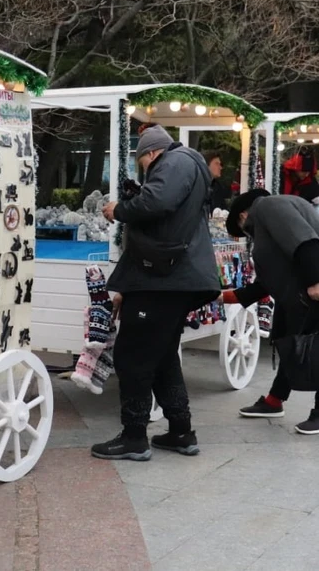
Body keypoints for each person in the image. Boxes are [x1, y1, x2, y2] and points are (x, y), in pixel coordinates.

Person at [93, 125, 220, 461]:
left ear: (150, 154)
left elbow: (157, 201)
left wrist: (119, 210)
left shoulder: (174, 161)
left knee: (132, 355)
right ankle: (181, 431)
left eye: (144, 164)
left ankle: (134, 436)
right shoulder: (187, 163)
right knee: (162, 356)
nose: (146, 171)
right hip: (171, 278)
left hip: (164, 280)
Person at [222, 190, 319, 434]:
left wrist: (315, 281)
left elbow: (305, 241)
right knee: (290, 338)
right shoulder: (275, 208)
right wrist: (228, 297)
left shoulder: (268, 207)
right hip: (313, 284)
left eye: (243, 228)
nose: (248, 233)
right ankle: (275, 400)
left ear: (243, 214)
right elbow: (271, 278)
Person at [282, 147, 319, 224]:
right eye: (304, 171)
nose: (306, 174)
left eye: (308, 172)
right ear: (296, 169)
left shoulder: (310, 181)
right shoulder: (282, 177)